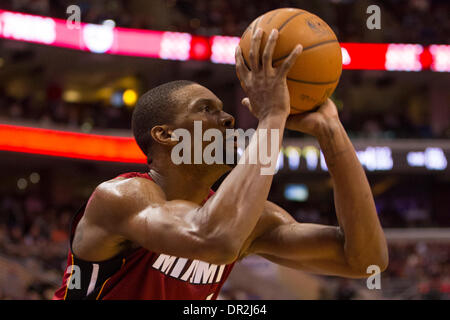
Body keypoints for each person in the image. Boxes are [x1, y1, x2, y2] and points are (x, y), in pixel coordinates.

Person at [53, 28, 388, 300]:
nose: (228, 118)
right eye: (206, 109)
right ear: (166, 135)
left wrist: (332, 132)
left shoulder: (246, 219)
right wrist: (273, 116)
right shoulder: (122, 197)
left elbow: (364, 261)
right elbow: (215, 238)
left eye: (223, 109)